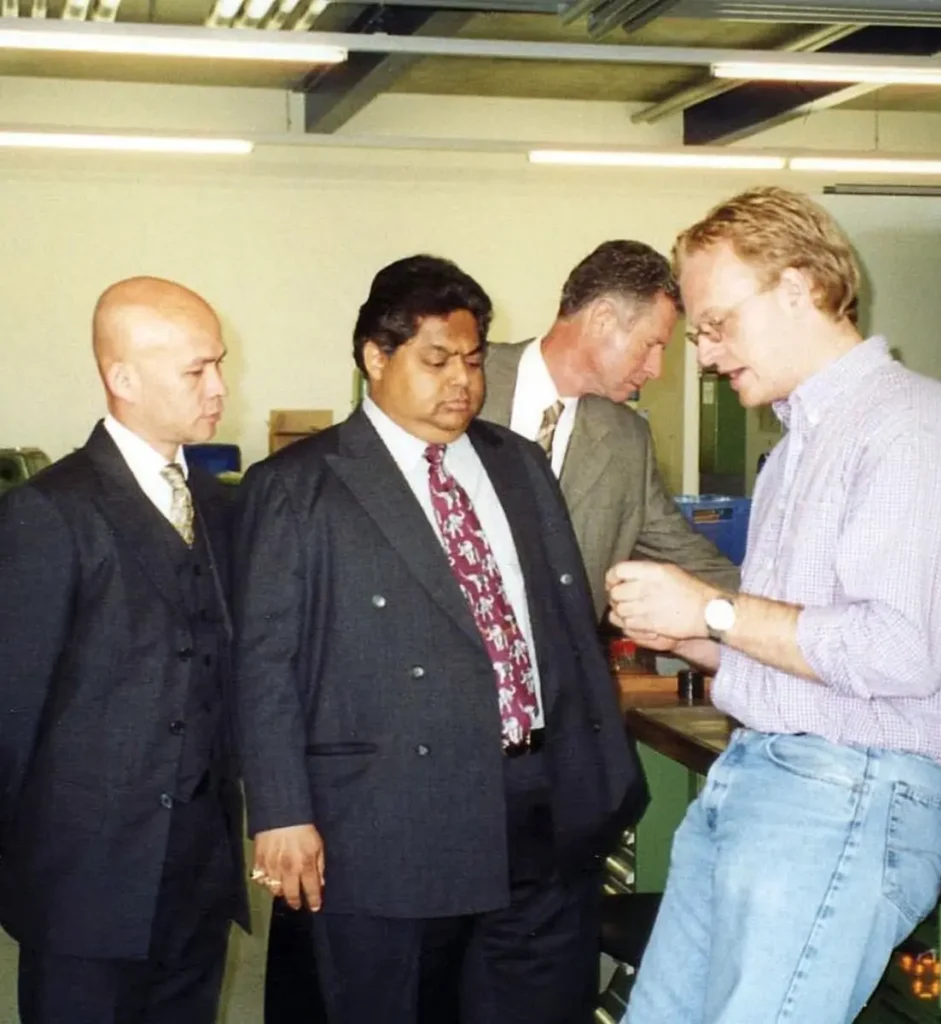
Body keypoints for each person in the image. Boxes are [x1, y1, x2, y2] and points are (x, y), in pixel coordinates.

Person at [605, 187, 941, 1024]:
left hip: (848, 793)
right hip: (764, 779)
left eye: (718, 324)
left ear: (798, 287)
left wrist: (712, 611)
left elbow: (898, 654)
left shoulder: (915, 431)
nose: (708, 356)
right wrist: (689, 633)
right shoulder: (797, 453)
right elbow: (804, 655)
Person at [233, 254, 647, 1024]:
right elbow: (263, 663)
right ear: (375, 358)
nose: (461, 380)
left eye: (472, 359)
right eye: (435, 360)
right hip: (389, 816)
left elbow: (557, 629)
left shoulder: (516, 465)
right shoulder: (299, 487)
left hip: (539, 802)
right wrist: (280, 813)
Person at [0, 276, 249, 1024]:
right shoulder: (48, 514)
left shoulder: (218, 504)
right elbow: (11, 715)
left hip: (198, 873)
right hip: (85, 884)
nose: (220, 387)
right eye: (196, 370)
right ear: (123, 378)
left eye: (220, 364)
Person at [479, 239, 739, 617]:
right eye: (651, 344)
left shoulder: (626, 440)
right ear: (602, 318)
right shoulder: (465, 377)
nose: (656, 369)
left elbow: (687, 555)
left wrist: (778, 615)